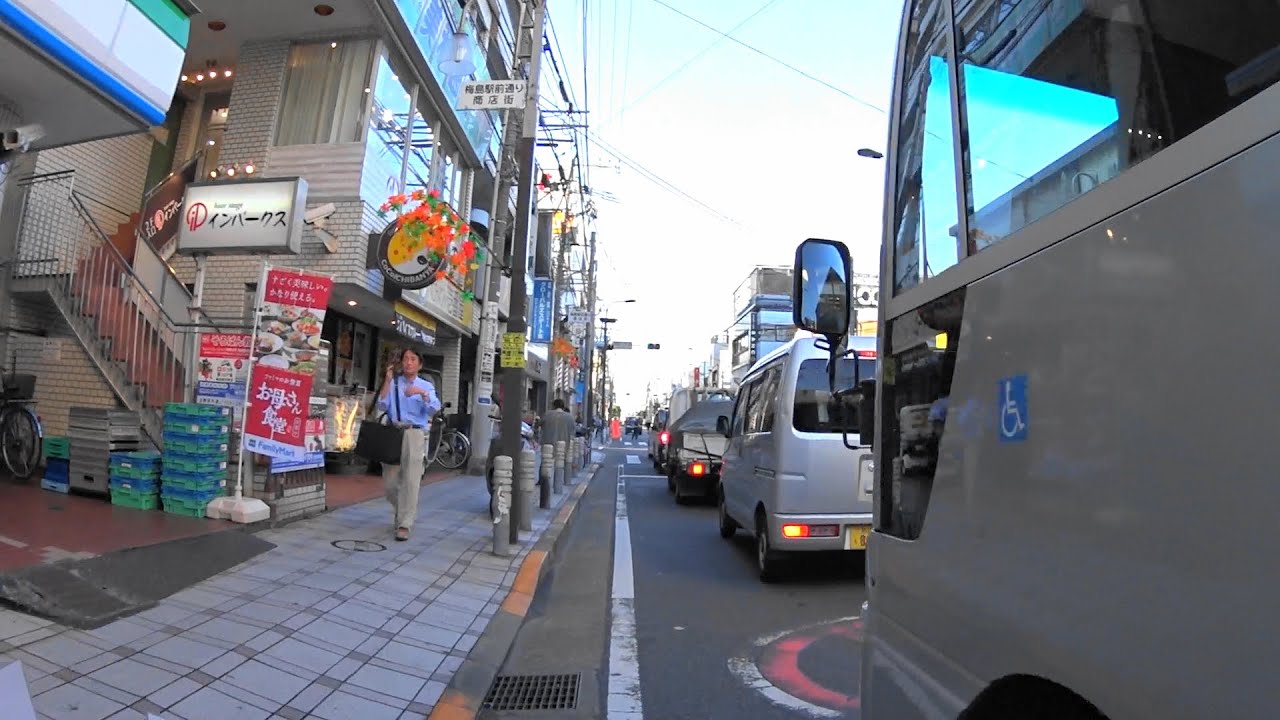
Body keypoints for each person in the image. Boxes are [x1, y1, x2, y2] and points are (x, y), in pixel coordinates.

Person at [376, 348, 441, 541]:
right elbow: (381, 405)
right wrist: (387, 381)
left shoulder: (425, 385)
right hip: (394, 432)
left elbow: (434, 408)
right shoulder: (395, 382)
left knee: (411, 481)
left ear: (420, 364)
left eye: (413, 359)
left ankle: (405, 523)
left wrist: (422, 394)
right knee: (389, 483)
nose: (408, 363)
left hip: (415, 433)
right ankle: (402, 509)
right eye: (405, 359)